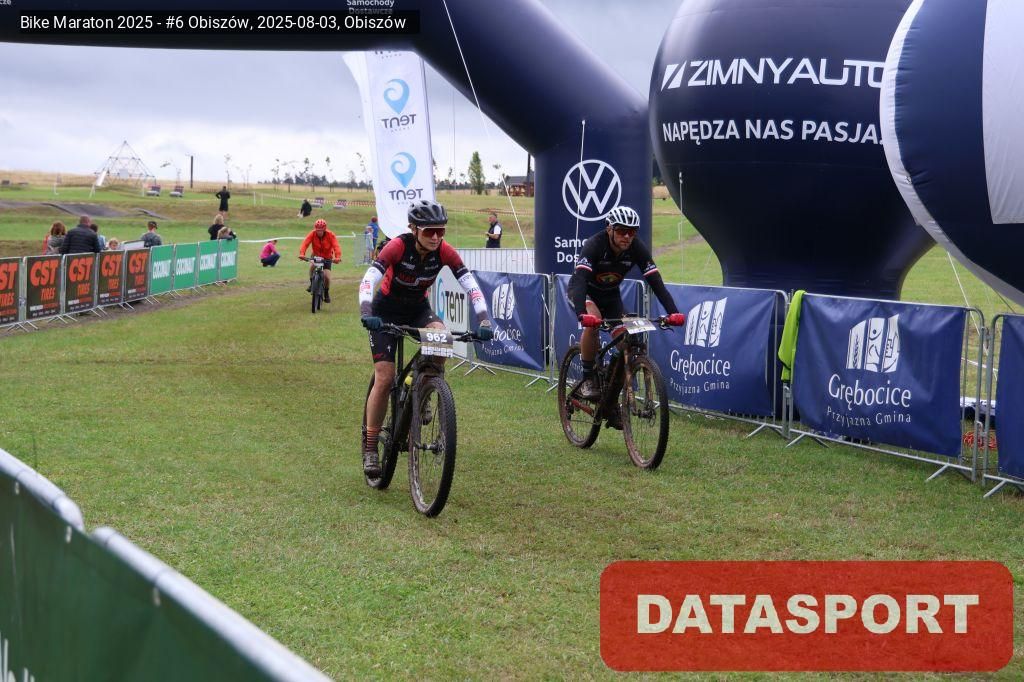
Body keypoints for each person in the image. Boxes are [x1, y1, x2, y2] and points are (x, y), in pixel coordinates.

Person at [357, 199, 494, 477]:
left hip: (418, 309)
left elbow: (470, 285)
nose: (435, 237)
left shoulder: (445, 251)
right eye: (430, 231)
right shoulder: (398, 246)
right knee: (385, 377)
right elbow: (369, 279)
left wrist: (483, 319)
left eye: (441, 231)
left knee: (442, 341)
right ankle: (371, 447)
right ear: (414, 229)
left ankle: (423, 387)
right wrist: (366, 311)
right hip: (384, 311)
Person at [566, 205, 686, 412]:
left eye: (632, 231)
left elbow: (656, 282)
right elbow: (580, 280)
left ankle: (612, 400)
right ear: (609, 229)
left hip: (611, 296)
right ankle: (588, 378)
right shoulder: (595, 245)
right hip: (584, 293)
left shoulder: (636, 247)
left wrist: (673, 312)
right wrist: (581, 314)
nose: (627, 236)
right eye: (622, 231)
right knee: (593, 323)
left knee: (626, 342)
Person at [298, 218, 342, 302]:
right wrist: (302, 254)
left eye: (321, 230)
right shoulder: (312, 234)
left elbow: (336, 246)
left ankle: (326, 292)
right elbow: (305, 244)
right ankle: (312, 283)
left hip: (327, 257)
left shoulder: (330, 235)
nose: (319, 232)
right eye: (317, 230)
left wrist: (337, 257)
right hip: (316, 255)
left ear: (324, 229)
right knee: (312, 266)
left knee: (327, 277)